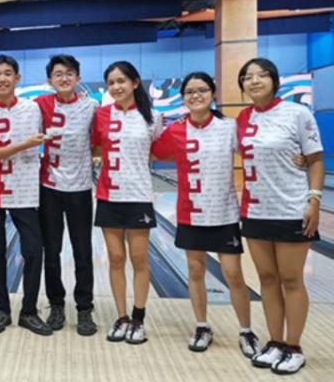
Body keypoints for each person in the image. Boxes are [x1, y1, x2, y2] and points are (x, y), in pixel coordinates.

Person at [151, 72, 259, 355]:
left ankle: (246, 331)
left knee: (233, 274)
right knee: (195, 271)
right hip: (191, 213)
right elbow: (154, 152)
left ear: (212, 94)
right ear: (183, 97)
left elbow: (254, 153)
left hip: (223, 213)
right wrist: (155, 126)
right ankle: (201, 325)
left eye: (202, 90)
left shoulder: (229, 127)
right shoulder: (176, 129)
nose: (195, 96)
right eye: (189, 92)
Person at [236, 58, 324, 375]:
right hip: (256, 210)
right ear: (242, 85)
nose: (255, 80)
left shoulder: (298, 114)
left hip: (291, 210)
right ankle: (275, 342)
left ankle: (294, 346)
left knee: (291, 279)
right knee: (267, 280)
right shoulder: (242, 119)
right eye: (248, 77)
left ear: (274, 80)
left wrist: (313, 200)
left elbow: (315, 160)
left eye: (262, 75)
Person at [0, 54, 51, 336]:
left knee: (33, 251)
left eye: (8, 73)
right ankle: (1, 309)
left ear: (18, 78)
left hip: (26, 192)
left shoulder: (34, 108)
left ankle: (29, 311)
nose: (2, 78)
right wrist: (25, 144)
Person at [92, 61, 163, 345]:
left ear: (135, 83)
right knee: (116, 260)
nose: (116, 86)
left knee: (138, 260)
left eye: (121, 80)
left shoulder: (153, 117)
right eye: (111, 82)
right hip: (109, 195)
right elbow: (94, 147)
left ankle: (138, 318)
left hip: (139, 196)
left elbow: (159, 151)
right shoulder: (101, 115)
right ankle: (121, 317)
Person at [34, 55, 98, 336]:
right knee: (52, 250)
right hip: (49, 188)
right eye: (58, 74)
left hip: (81, 189)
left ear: (78, 78)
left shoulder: (91, 106)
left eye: (69, 73)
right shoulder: (40, 105)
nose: (64, 78)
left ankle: (84, 308)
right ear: (50, 80)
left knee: (83, 250)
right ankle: (56, 304)